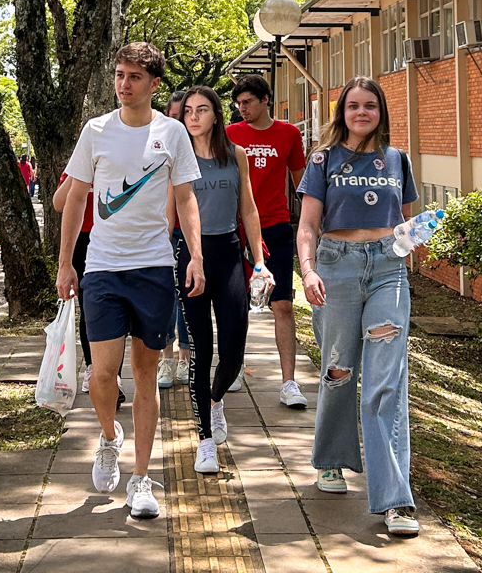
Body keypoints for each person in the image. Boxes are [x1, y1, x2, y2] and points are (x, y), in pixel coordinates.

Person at [57, 42, 204, 520]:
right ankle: (108, 436)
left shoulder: (172, 133)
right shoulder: (96, 130)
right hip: (102, 268)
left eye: (135, 76)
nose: (124, 84)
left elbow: (185, 200)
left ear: (154, 83)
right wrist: (65, 264)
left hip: (154, 268)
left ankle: (141, 479)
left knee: (145, 376)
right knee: (101, 375)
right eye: (119, 74)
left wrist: (195, 257)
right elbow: (74, 200)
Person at [296, 76, 421, 537]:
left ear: (381, 111)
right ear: (341, 112)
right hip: (336, 268)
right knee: (339, 369)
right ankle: (330, 460)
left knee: (386, 384)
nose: (362, 113)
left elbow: (409, 221)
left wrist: (417, 245)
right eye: (353, 106)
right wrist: (308, 271)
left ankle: (395, 501)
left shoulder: (397, 160)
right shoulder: (323, 160)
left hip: (387, 270)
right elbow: (308, 224)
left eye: (370, 106)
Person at [177, 86, 273, 474]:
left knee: (233, 347)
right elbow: (172, 216)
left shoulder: (236, 154)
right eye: (188, 111)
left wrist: (260, 261)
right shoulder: (175, 159)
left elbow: (248, 210)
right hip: (190, 258)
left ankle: (215, 400)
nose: (195, 116)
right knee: (200, 349)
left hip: (229, 254)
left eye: (203, 110)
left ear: (217, 115)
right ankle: (204, 440)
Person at [227, 74, 309, 409]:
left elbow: (301, 183)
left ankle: (289, 382)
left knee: (283, 305)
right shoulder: (230, 134)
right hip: (236, 229)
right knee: (235, 306)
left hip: (275, 227)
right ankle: (234, 368)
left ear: (265, 100)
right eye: (238, 103)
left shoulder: (289, 134)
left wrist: (314, 224)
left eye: (248, 102)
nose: (242, 109)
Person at [53, 170, 125, 406]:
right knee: (89, 307)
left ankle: (115, 374)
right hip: (82, 241)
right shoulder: (76, 166)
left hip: (112, 240)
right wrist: (79, 173)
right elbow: (59, 203)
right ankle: (94, 367)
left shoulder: (116, 160)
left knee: (116, 307)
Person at [158, 90, 191, 389]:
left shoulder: (200, 151)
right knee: (166, 297)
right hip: (161, 233)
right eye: (175, 115)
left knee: (189, 300)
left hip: (192, 235)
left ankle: (185, 359)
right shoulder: (155, 146)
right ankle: (165, 359)